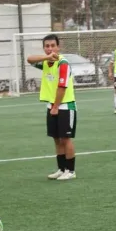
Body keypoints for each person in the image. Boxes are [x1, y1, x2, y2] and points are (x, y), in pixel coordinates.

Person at [27, 34, 77, 181]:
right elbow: (29, 59)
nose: (50, 49)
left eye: (52, 46)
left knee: (66, 138)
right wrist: (46, 58)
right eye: (47, 46)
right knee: (56, 139)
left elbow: (62, 87)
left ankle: (71, 170)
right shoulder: (45, 62)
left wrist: (55, 107)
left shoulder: (63, 63)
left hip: (65, 106)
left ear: (58, 47)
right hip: (52, 106)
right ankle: (61, 169)